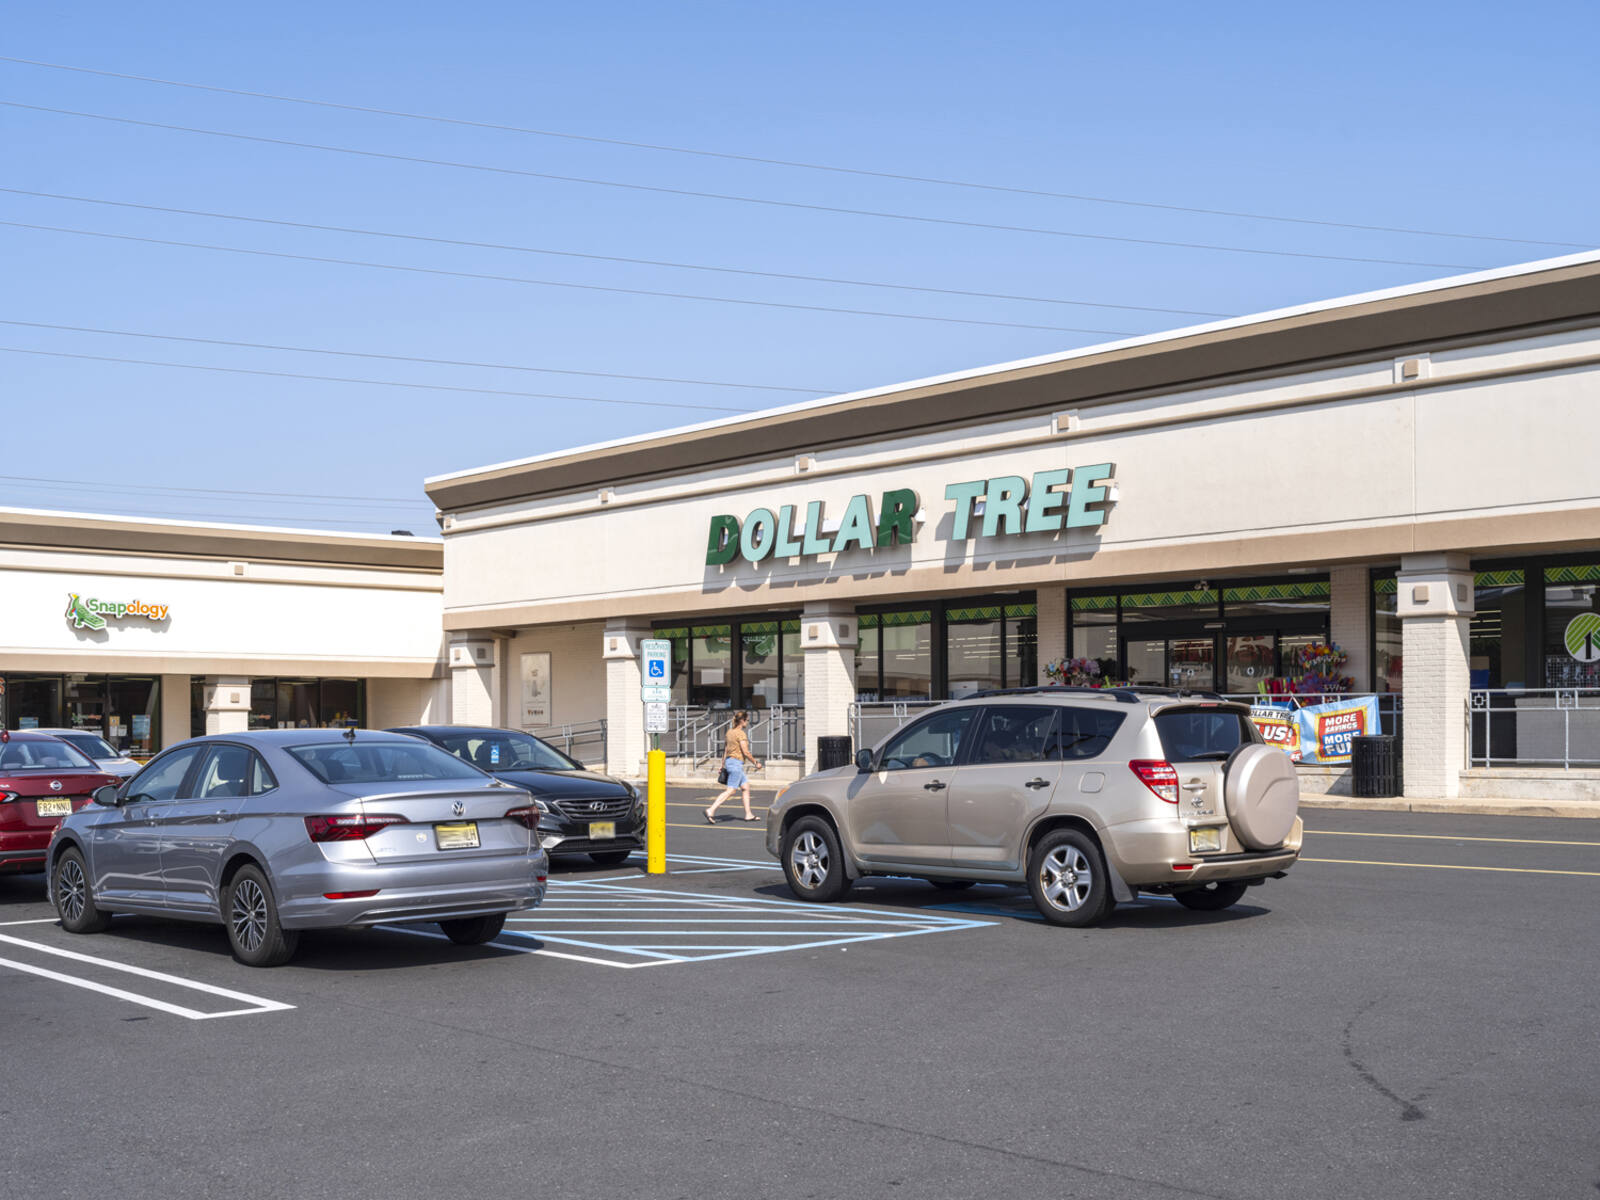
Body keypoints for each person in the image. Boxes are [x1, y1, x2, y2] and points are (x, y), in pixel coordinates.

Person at [705, 710, 761, 823]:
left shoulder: (729, 732)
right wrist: (755, 762)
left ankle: (748, 814)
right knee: (731, 791)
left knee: (745, 787)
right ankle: (711, 810)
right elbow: (745, 752)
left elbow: (726, 750)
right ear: (742, 720)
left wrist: (722, 765)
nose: (747, 722)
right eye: (747, 720)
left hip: (730, 762)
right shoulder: (741, 734)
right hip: (736, 764)